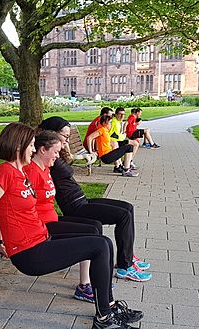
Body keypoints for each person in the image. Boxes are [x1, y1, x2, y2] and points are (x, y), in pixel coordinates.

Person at [0, 122, 143, 329]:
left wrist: (0, 240)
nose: (34, 150)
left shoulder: (21, 173)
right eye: (31, 145)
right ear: (18, 147)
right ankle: (103, 319)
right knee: (100, 246)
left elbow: (3, 209)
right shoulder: (4, 173)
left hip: (41, 238)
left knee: (103, 242)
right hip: (29, 253)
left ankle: (108, 307)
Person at [39, 117, 152, 282]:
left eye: (68, 137)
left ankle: (127, 257)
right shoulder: (48, 157)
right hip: (75, 207)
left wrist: (73, 150)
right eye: (65, 136)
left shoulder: (58, 154)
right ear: (51, 135)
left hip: (82, 200)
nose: (67, 140)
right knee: (123, 216)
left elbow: (67, 159)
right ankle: (125, 266)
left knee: (127, 208)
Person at [25, 130, 103, 303]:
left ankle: (87, 282)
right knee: (93, 237)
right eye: (56, 152)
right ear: (43, 150)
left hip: (53, 219)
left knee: (95, 227)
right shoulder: (31, 172)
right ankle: (85, 286)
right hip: (44, 225)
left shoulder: (46, 168)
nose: (58, 156)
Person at [109, 107, 140, 173]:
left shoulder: (118, 121)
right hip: (114, 141)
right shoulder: (114, 122)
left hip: (118, 140)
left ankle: (129, 161)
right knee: (131, 145)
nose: (122, 116)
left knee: (135, 143)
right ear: (116, 114)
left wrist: (123, 133)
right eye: (120, 114)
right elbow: (113, 136)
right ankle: (124, 165)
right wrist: (124, 135)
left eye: (124, 114)